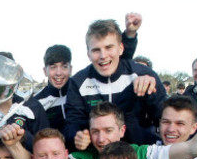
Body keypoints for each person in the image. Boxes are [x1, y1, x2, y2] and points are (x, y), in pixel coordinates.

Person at [34, 13, 141, 141]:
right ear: (44, 71)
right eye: (52, 67)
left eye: (64, 67)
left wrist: (129, 36)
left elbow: (118, 63)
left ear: (71, 68)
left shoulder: (79, 87)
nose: (58, 73)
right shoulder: (38, 102)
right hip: (60, 156)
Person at [64, 16, 167, 147]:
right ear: (88, 54)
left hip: (139, 156)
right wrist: (77, 136)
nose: (103, 56)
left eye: (109, 47)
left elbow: (166, 118)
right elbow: (72, 123)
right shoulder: (78, 82)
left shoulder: (144, 74)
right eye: (96, 50)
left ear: (121, 48)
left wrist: (151, 92)